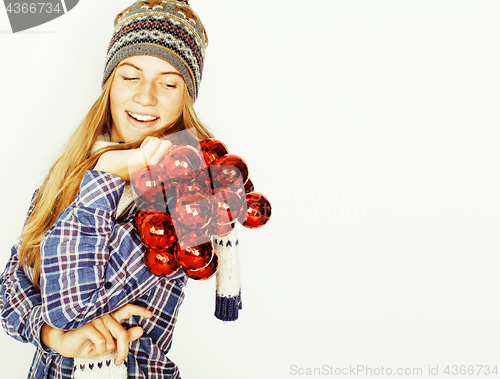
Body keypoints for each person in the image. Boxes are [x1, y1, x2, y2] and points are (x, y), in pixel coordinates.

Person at [0, 1, 242, 378]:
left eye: (168, 82)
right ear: (110, 83)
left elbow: (74, 306)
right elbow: (9, 293)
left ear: (185, 98)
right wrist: (51, 335)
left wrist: (107, 175)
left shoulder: (188, 194)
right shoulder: (68, 174)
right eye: (131, 76)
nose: (146, 96)